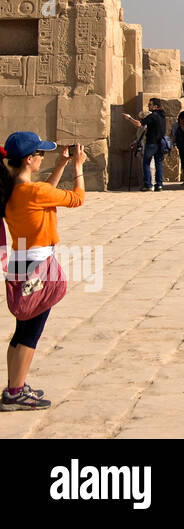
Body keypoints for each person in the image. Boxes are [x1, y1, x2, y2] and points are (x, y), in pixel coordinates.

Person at [0, 132, 85, 410]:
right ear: (29, 159)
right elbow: (76, 199)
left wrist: (59, 166)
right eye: (40, 154)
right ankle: (15, 393)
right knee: (30, 333)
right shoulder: (34, 192)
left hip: (20, 262)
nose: (42, 158)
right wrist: (78, 167)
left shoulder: (13, 191)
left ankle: (15, 385)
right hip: (38, 267)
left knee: (21, 330)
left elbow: (45, 196)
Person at [123, 98, 168, 191]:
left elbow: (139, 124)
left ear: (155, 106)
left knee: (146, 163)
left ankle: (148, 185)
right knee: (158, 163)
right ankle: (159, 185)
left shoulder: (153, 116)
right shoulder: (162, 116)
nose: (148, 106)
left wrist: (129, 118)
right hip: (160, 143)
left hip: (152, 143)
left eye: (150, 104)